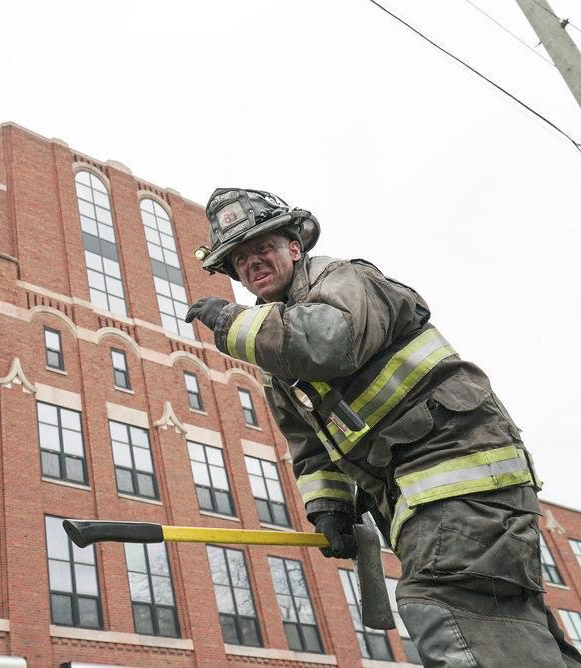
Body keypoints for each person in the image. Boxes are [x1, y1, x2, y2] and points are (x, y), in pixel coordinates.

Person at [184, 188, 581, 667]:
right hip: (424, 497)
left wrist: (230, 322)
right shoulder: (279, 358)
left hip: (459, 474)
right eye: (240, 260)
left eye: (263, 248)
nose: (252, 263)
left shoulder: (341, 280)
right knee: (505, 626)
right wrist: (330, 509)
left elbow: (328, 343)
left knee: (449, 607)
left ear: (294, 247)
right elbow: (311, 446)